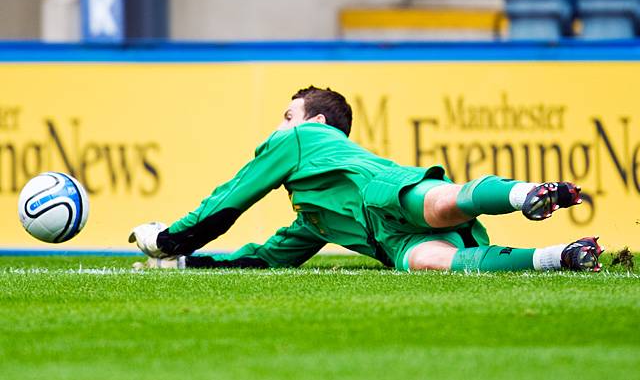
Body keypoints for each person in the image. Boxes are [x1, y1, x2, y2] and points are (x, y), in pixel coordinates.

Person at [129, 86, 603, 272]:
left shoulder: (297, 140)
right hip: (390, 239)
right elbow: (270, 258)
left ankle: (529, 195)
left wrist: (167, 240)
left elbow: (230, 199)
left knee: (440, 206)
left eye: (287, 114)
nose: (280, 124)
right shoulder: (313, 217)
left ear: (313, 122)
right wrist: (193, 263)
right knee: (434, 258)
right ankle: (559, 256)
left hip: (386, 191)